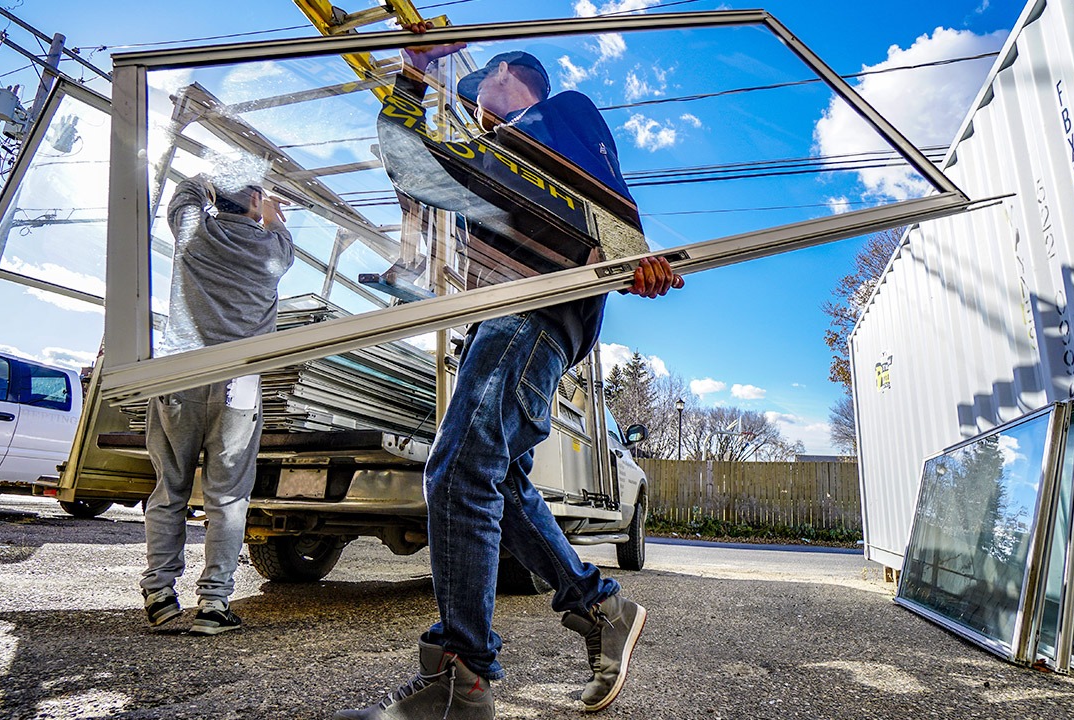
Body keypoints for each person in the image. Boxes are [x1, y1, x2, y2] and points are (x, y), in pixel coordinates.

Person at [335, 25, 683, 719]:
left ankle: (460, 677)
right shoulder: (482, 157)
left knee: (458, 470)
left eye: (480, 85)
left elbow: (604, 188)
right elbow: (407, 163)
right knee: (499, 478)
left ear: (510, 73)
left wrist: (630, 258)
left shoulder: (558, 115)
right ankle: (597, 607)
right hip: (500, 317)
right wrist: (409, 77)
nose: (474, 101)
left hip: (537, 308)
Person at [140, 174, 293, 636]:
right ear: (253, 204)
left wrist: (216, 180)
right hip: (238, 387)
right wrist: (268, 211)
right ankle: (213, 604)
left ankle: (160, 595)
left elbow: (186, 191)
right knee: (228, 499)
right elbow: (280, 229)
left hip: (180, 376)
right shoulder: (272, 250)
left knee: (170, 489)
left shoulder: (194, 231)